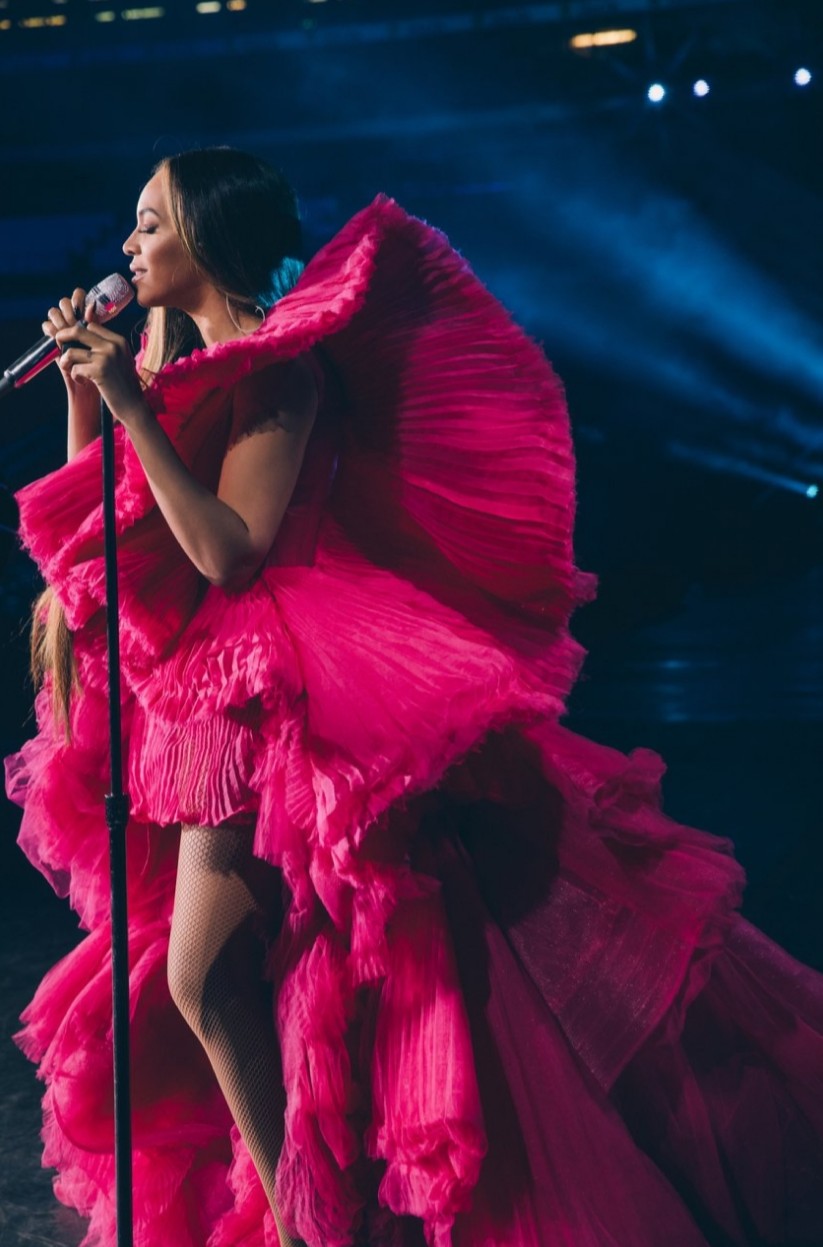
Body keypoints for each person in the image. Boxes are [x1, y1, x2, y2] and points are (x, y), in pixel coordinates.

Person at [5, 147, 823, 1247]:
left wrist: (127, 406)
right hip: (196, 694)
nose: (127, 246)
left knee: (227, 970)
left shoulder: (279, 370)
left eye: (149, 223)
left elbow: (232, 551)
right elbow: (106, 531)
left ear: (205, 235)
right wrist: (87, 398)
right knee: (225, 974)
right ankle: (305, 1202)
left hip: (276, 686)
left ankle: (312, 1221)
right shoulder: (179, 374)